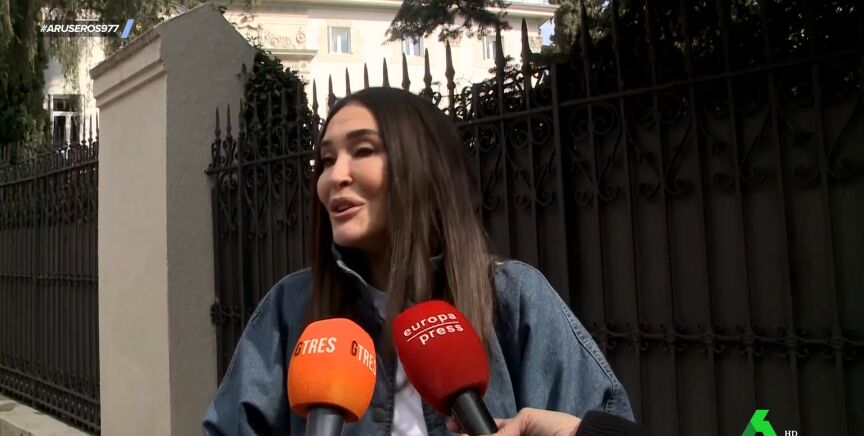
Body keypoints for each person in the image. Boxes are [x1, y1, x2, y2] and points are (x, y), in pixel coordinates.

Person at [203, 87, 636, 435]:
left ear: (425, 166)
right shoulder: (289, 306)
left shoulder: (517, 298)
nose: (335, 176)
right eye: (327, 160)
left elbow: (594, 419)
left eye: (363, 150)